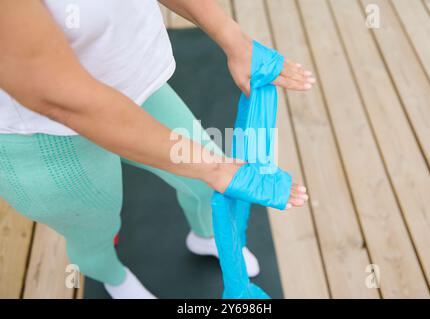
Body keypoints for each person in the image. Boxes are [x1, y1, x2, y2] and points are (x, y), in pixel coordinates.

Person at [0, 0, 314, 299]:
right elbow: (57, 95)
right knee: (96, 232)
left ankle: (206, 236)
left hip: (132, 86)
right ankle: (114, 277)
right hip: (41, 137)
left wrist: (234, 39)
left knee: (210, 188)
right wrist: (213, 168)